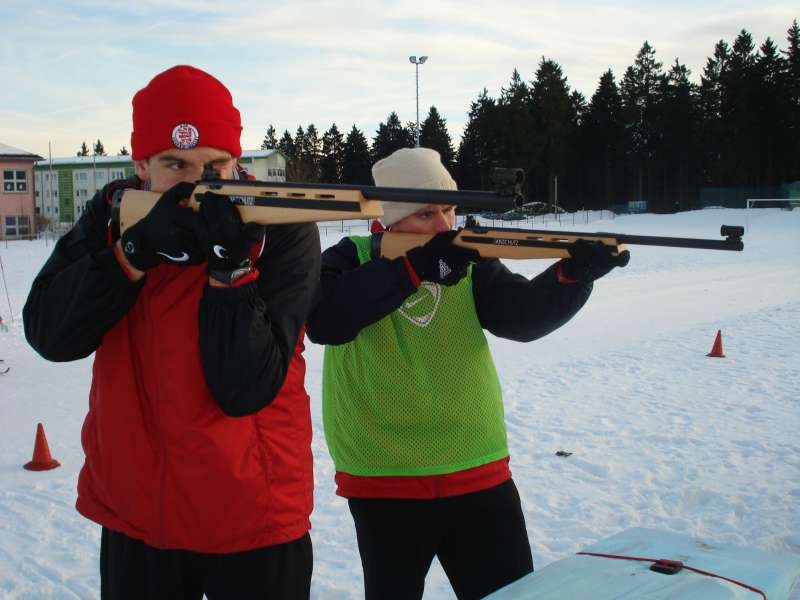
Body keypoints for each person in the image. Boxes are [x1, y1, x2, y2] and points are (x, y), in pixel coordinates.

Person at [23, 65, 320, 599]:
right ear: (141, 165)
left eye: (213, 164)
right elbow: (49, 334)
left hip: (255, 516)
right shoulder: (113, 216)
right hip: (141, 517)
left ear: (237, 160)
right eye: (174, 164)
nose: (196, 182)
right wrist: (130, 257)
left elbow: (245, 388)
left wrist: (230, 268)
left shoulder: (281, 226)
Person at [306, 147, 628, 600]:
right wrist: (417, 268)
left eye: (450, 210)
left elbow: (521, 318)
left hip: (478, 468)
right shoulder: (348, 257)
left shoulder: (466, 259)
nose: (443, 226)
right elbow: (326, 322)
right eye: (426, 214)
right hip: (384, 477)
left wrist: (571, 278)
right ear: (389, 220)